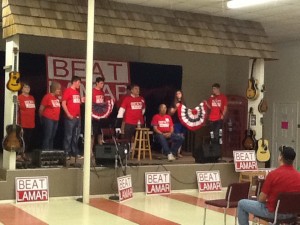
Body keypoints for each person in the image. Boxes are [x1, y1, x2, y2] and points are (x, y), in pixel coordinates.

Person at [237, 146, 300, 225]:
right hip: (292, 214)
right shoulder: (298, 176)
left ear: (280, 157)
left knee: (241, 203)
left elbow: (261, 199)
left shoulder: (273, 175)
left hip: (274, 213)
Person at [61, 76, 82, 160]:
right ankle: (66, 152)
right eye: (79, 82)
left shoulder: (77, 92)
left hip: (77, 117)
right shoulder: (68, 91)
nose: (79, 84)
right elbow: (63, 103)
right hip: (70, 117)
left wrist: (81, 101)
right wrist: (68, 114)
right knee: (68, 135)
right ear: (74, 82)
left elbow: (76, 103)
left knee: (76, 135)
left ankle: (74, 151)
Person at [39, 81, 61, 150]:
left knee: (52, 137)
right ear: (54, 89)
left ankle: (50, 152)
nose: (59, 91)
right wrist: (42, 118)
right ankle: (45, 152)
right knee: (47, 136)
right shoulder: (47, 97)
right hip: (48, 119)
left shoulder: (57, 98)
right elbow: (41, 109)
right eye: (58, 89)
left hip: (55, 119)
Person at [18, 82, 36, 161]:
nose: (27, 89)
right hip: (23, 122)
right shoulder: (19, 97)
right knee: (22, 139)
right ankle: (19, 155)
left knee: (28, 140)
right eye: (25, 87)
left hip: (31, 122)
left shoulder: (32, 97)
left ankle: (24, 154)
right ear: (22, 88)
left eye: (28, 87)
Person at [169, 89, 186, 157]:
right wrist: (176, 107)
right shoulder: (173, 103)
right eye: (177, 94)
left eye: (179, 93)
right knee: (177, 137)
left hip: (183, 122)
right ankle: (173, 152)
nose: (178, 95)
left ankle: (178, 152)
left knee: (182, 137)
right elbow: (171, 113)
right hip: (176, 122)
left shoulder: (183, 103)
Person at [91, 77, 106, 148]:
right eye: (101, 83)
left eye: (103, 83)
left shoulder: (102, 92)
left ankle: (101, 150)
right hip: (93, 116)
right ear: (97, 83)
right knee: (93, 134)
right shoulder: (92, 91)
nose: (102, 85)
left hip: (101, 116)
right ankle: (90, 151)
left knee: (100, 133)